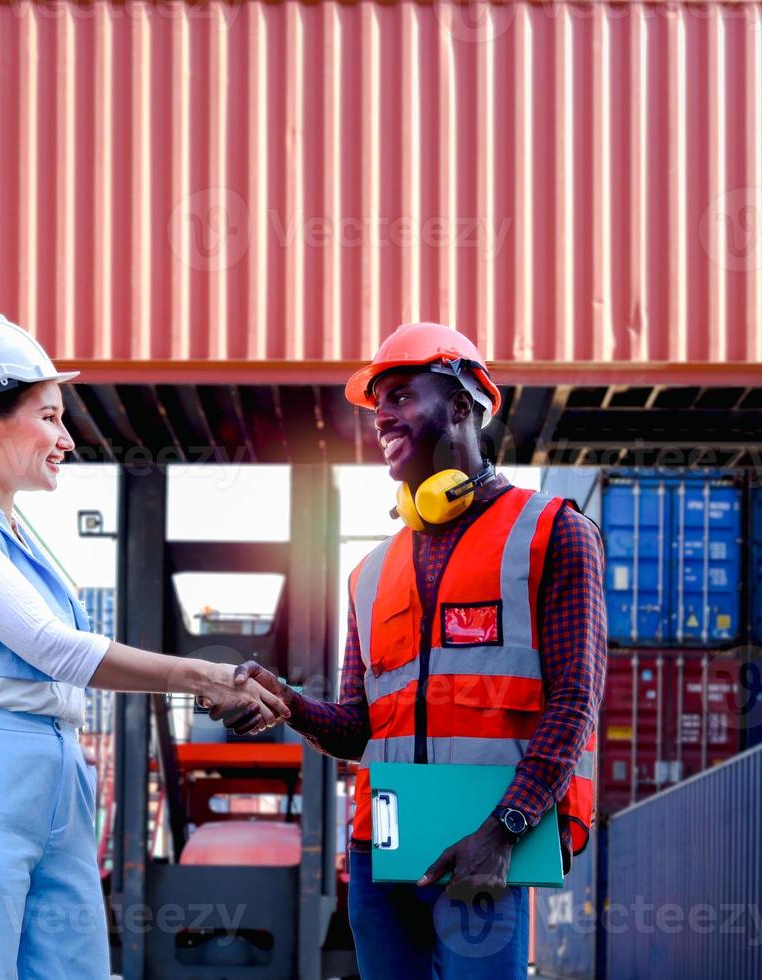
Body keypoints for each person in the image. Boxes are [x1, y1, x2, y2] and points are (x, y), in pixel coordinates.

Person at [0, 312, 288, 980]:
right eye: (48, 417)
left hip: (59, 777)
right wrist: (206, 677)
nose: (67, 439)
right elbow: (55, 649)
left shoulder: (15, 536)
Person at [209, 322, 606, 978]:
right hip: (380, 853)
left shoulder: (552, 534)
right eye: (375, 405)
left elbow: (575, 701)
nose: (381, 418)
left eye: (399, 397)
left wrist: (504, 830)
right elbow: (360, 727)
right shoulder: (369, 572)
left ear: (461, 404)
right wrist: (293, 706)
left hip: (487, 846)